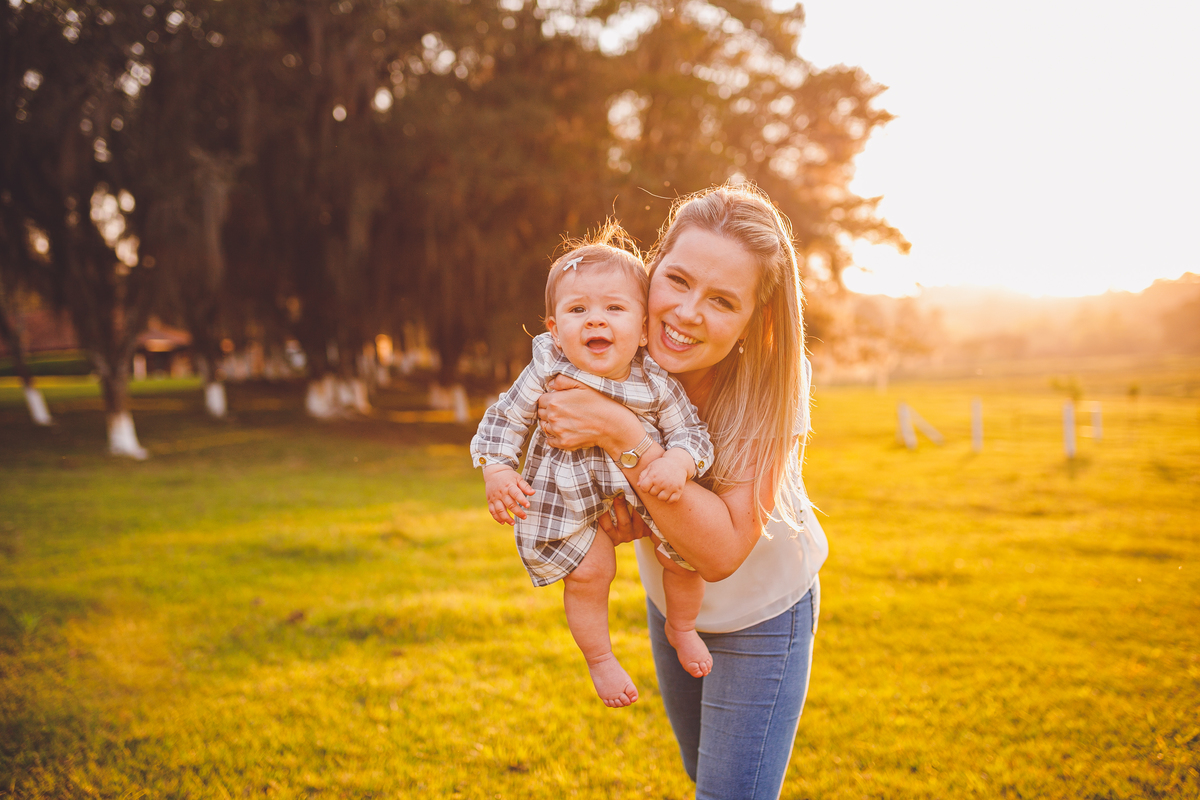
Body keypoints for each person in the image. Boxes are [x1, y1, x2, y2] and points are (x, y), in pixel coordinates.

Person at [535, 184, 827, 799]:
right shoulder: (613, 354)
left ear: (757, 316)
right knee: (706, 774)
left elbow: (719, 552)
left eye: (722, 300)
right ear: (649, 274)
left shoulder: (775, 381)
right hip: (672, 606)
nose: (687, 313)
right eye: (677, 281)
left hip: (763, 614)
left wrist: (620, 430)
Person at [469, 226, 716, 709]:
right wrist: (497, 470)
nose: (595, 321)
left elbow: (691, 432)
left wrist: (680, 462)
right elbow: (507, 417)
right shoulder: (547, 368)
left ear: (644, 327)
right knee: (589, 573)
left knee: (682, 560)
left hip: (644, 491)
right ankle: (600, 658)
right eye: (578, 309)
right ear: (554, 328)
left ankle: (681, 626)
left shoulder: (657, 380)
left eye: (614, 309)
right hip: (572, 497)